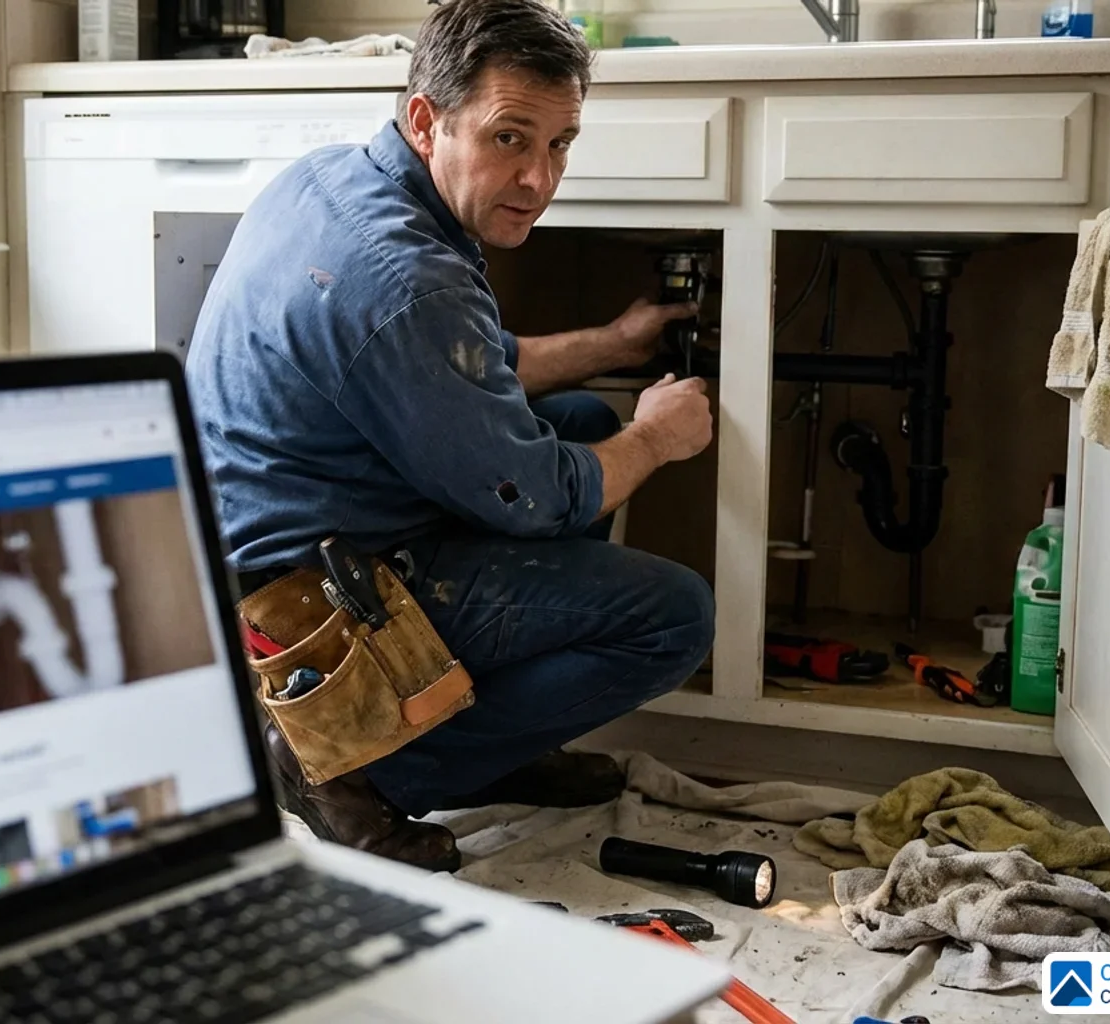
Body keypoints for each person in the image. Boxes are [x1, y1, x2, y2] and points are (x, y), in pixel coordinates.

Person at [185, 0, 717, 873]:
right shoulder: (406, 277)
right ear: (428, 122)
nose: (540, 179)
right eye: (510, 138)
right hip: (314, 604)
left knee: (582, 422)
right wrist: (657, 438)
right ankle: (355, 775)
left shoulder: (334, 178)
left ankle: (494, 743)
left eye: (560, 144)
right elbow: (537, 496)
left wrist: (612, 346)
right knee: (673, 614)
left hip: (283, 544)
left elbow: (469, 367)